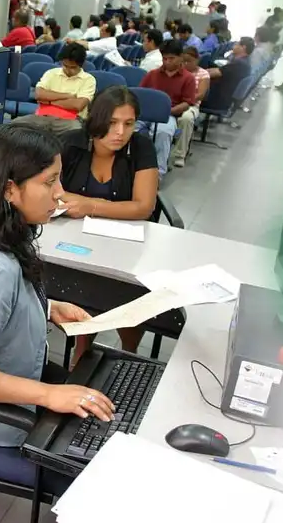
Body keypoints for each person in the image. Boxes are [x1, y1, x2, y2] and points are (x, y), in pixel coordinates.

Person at [0, 124, 115, 448]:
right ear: (10, 190)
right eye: (49, 181)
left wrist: (47, 307)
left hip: (15, 382)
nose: (60, 192)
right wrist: (50, 395)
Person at [58, 87, 160, 358]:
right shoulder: (72, 144)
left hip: (126, 240)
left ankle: (128, 351)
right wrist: (111, 208)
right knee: (82, 287)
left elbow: (143, 206)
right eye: (112, 123)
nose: (120, 132)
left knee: (126, 291)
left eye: (128, 124)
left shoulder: (141, 147)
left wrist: (89, 205)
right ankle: (82, 350)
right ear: (97, 121)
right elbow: (52, 191)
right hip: (74, 237)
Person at [139, 40, 198, 173]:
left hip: (168, 115)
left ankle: (157, 173)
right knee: (125, 129)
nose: (167, 62)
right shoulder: (152, 74)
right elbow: (140, 94)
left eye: (171, 58)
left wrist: (167, 111)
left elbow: (186, 103)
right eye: (164, 58)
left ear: (180, 57)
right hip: (145, 113)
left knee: (163, 133)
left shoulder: (188, 78)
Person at [16, 42, 96, 135]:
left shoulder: (89, 80)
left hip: (71, 120)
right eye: (65, 65)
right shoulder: (51, 73)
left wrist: (49, 101)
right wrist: (68, 96)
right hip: (44, 115)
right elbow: (39, 94)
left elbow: (78, 105)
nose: (68, 70)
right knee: (14, 125)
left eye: (73, 67)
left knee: (75, 133)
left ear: (82, 65)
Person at [201, 37, 254, 112]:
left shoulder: (239, 64)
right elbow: (219, 70)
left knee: (189, 94)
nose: (234, 46)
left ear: (243, 47)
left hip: (217, 101)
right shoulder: (245, 61)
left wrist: (198, 74)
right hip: (223, 98)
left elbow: (216, 73)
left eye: (237, 44)